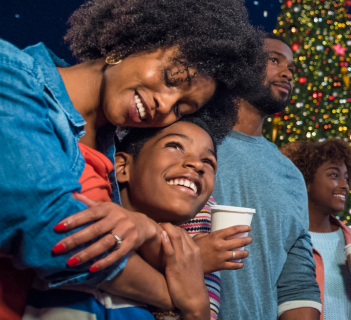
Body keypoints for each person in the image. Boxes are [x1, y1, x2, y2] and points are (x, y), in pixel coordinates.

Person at [0, 0, 266, 318]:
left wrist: (146, 232)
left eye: (183, 108)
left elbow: (114, 241)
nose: (166, 104)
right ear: (134, 41)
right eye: (172, 78)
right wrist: (180, 296)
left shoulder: (109, 150)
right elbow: (51, 238)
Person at [23, 117, 252, 320]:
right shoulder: (89, 234)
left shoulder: (193, 265)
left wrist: (197, 308)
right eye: (175, 145)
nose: (198, 164)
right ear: (122, 166)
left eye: (209, 162)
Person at [209, 33, 322, 319]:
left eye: (291, 69)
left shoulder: (291, 176)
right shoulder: (187, 144)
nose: (287, 73)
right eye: (274, 60)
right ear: (241, 65)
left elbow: (297, 284)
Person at [281, 139, 351, 320]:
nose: (345, 185)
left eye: (346, 177)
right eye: (334, 175)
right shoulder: (287, 239)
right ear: (306, 181)